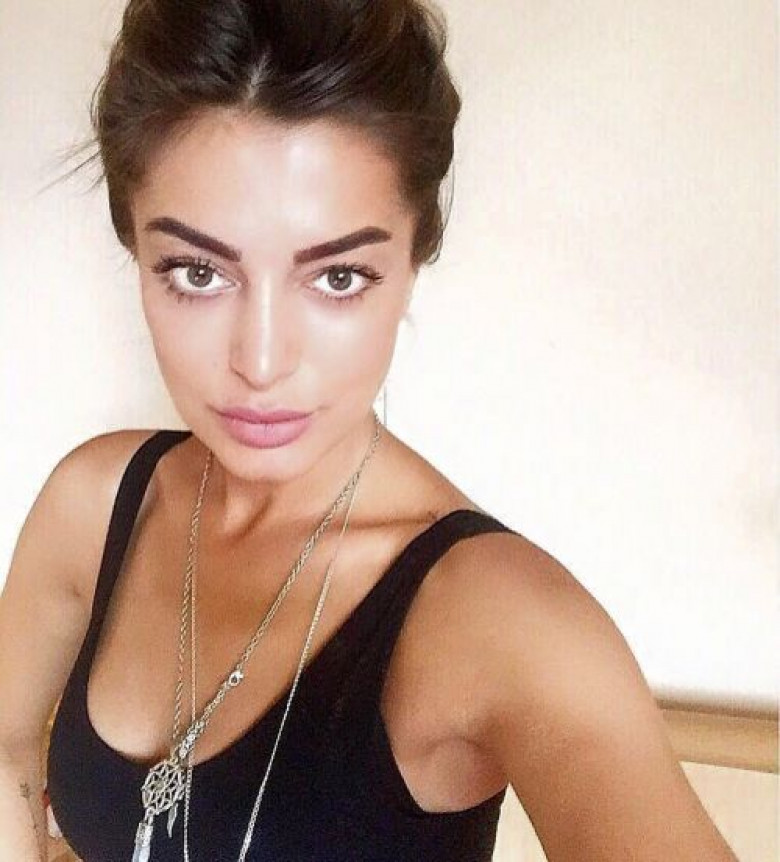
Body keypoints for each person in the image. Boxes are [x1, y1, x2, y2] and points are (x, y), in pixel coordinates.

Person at [0, 1, 739, 860]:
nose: (262, 361)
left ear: (414, 257)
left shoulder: (500, 621)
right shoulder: (93, 504)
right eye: (198, 272)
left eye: (339, 277)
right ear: (134, 248)